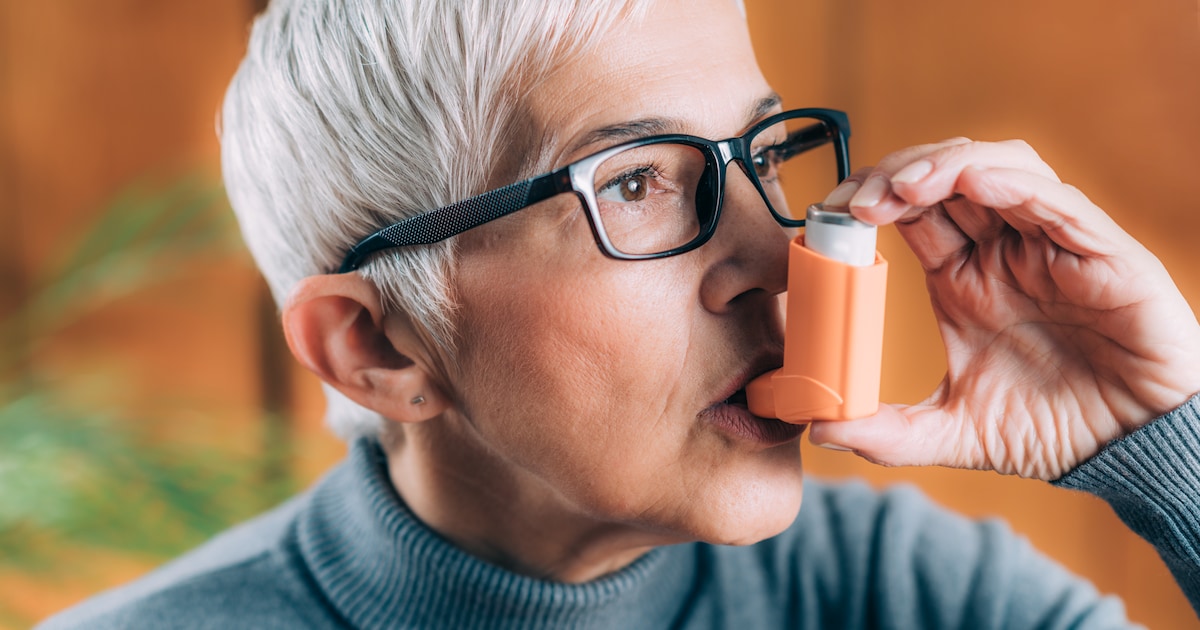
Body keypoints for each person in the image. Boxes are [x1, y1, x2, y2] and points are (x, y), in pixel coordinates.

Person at [42, 0, 1200, 627]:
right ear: (379, 347)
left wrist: (1170, 451)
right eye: (635, 182)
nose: (779, 258)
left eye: (760, 156)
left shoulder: (906, 595)